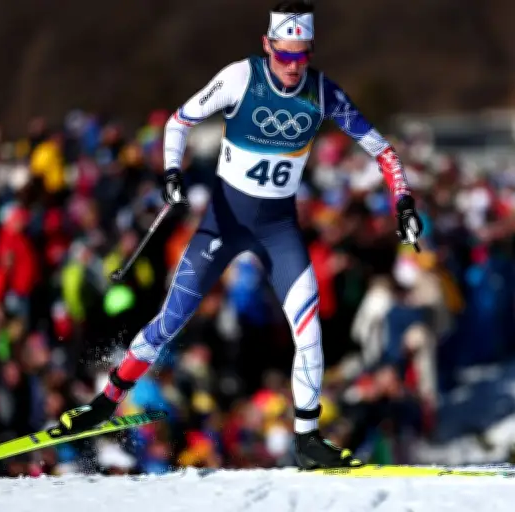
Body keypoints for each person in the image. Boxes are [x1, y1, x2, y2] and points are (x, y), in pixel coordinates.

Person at [57, 0, 423, 470]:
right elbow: (179, 122)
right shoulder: (240, 78)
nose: (293, 67)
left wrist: (404, 201)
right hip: (223, 224)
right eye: (284, 55)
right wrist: (171, 173)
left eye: (302, 55)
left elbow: (383, 150)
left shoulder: (322, 94)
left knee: (308, 331)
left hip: (278, 231)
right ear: (267, 45)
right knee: (170, 320)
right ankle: (102, 405)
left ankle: (308, 439)